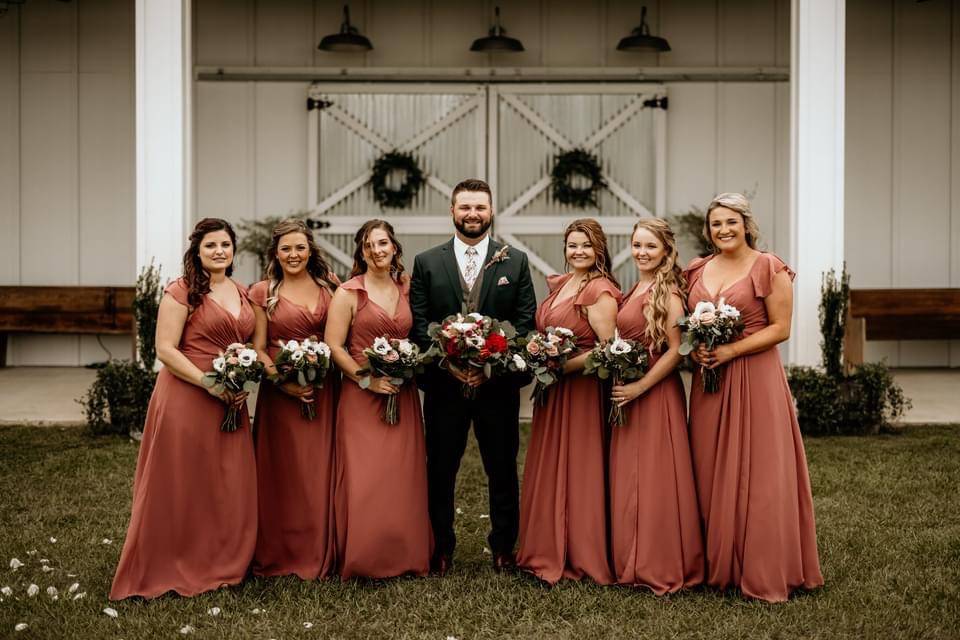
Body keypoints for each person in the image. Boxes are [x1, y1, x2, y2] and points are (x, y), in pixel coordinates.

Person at [685, 192, 824, 602]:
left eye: (731, 222)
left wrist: (728, 350)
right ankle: (719, 565)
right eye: (716, 224)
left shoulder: (769, 266)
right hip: (708, 383)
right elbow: (686, 322)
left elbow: (781, 328)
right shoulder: (696, 269)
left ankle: (762, 566)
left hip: (755, 378)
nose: (723, 230)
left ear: (746, 224)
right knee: (709, 467)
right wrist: (696, 348)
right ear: (708, 230)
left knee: (759, 473)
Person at [111, 218, 257, 599]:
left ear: (233, 249)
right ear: (197, 251)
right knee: (182, 483)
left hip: (230, 399)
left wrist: (241, 381)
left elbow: (250, 346)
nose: (219, 251)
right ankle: (172, 559)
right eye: (210, 246)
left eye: (225, 244)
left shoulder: (242, 292)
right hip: (186, 396)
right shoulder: (182, 291)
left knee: (224, 483)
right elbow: (165, 350)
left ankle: (221, 560)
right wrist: (209, 383)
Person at [410, 178, 537, 575]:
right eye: (465, 207)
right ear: (452, 211)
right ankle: (440, 547)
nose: (472, 214)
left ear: (491, 210)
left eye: (480, 207)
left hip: (495, 387)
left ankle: (503, 547)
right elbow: (419, 325)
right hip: (445, 387)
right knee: (440, 469)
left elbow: (524, 322)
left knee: (501, 468)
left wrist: (493, 366)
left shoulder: (513, 260)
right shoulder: (427, 261)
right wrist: (447, 364)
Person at [324, 219, 433, 579]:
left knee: (401, 476)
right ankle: (365, 556)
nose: (377, 250)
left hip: (400, 395)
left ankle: (405, 553)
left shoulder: (407, 288)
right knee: (366, 477)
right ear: (361, 252)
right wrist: (366, 380)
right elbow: (334, 346)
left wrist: (408, 366)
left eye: (383, 243)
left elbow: (418, 335)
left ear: (395, 248)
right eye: (369, 245)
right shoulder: (349, 293)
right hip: (362, 396)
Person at [516, 218, 620, 585]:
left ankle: (580, 552)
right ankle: (546, 543)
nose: (578, 252)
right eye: (572, 245)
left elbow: (609, 350)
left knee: (580, 466)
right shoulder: (563, 284)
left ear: (599, 249)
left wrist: (561, 366)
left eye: (586, 246)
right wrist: (541, 357)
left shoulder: (600, 290)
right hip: (555, 390)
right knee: (551, 463)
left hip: (582, 391)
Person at [608, 218, 704, 593]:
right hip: (629, 390)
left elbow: (679, 349)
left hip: (655, 393)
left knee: (654, 478)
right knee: (629, 478)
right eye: (636, 245)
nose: (642, 252)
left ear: (666, 250)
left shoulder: (667, 293)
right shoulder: (635, 288)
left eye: (650, 246)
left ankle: (658, 562)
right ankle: (629, 560)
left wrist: (641, 386)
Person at [248, 219, 340, 580]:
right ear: (275, 253)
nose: (293, 255)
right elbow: (258, 348)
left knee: (320, 472)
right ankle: (279, 551)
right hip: (280, 397)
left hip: (324, 392)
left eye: (300, 247)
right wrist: (282, 383)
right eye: (286, 248)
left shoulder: (328, 286)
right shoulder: (262, 292)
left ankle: (321, 550)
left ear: (310, 250)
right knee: (283, 474)